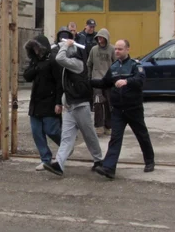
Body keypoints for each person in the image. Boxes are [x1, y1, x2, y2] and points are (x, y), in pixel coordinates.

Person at [42, 27, 103, 177]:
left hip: (80, 105)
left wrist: (66, 45)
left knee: (89, 134)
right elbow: (64, 85)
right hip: (70, 105)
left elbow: (59, 58)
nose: (65, 49)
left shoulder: (77, 63)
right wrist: (63, 102)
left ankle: (99, 160)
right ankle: (59, 164)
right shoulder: (67, 66)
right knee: (67, 137)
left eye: (69, 48)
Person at [91, 39, 155, 179]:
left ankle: (149, 161)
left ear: (128, 49)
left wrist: (127, 81)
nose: (117, 51)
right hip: (118, 110)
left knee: (141, 135)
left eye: (120, 49)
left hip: (133, 108)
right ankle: (109, 168)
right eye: (116, 49)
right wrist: (87, 82)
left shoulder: (135, 65)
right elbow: (104, 83)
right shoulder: (113, 67)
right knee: (115, 138)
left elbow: (140, 81)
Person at [23, 35, 63, 171]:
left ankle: (66, 146)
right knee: (36, 132)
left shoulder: (53, 60)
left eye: (37, 47)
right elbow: (27, 76)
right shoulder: (34, 62)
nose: (35, 50)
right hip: (36, 102)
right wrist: (36, 67)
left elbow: (59, 83)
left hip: (50, 101)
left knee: (51, 130)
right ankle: (45, 159)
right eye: (33, 47)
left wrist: (59, 102)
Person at [87, 28, 116, 135]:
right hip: (96, 80)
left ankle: (108, 126)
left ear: (106, 38)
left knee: (109, 104)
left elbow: (116, 64)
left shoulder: (112, 49)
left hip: (108, 81)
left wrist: (115, 78)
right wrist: (89, 78)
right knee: (98, 104)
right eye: (98, 37)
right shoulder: (94, 50)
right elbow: (89, 64)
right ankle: (99, 126)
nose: (100, 39)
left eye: (102, 37)